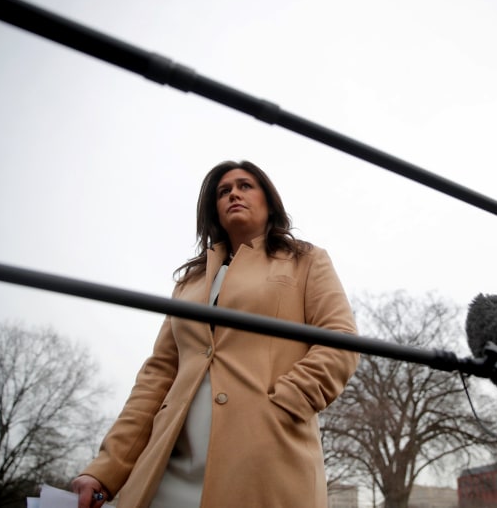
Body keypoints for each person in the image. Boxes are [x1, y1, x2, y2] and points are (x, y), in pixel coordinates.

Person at [72, 160, 359, 508]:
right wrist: (105, 470)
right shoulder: (188, 284)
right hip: (169, 461)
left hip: (264, 456)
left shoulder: (305, 260)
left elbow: (340, 339)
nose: (233, 194)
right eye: (223, 191)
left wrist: (287, 402)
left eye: (245, 186)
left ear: (270, 201)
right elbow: (158, 374)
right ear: (214, 210)